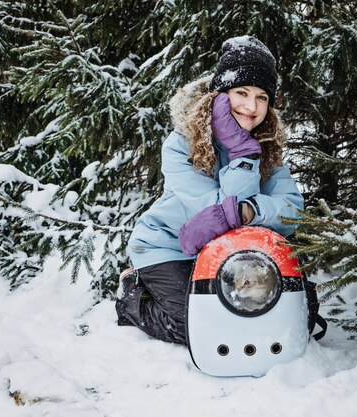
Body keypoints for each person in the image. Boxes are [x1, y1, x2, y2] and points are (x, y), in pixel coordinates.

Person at [115, 36, 304, 345]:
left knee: (278, 319)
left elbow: (293, 210)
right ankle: (132, 297)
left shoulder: (266, 145)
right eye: (241, 93)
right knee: (194, 328)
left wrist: (251, 211)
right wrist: (242, 154)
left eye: (262, 97)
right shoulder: (181, 145)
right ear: (220, 95)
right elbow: (212, 213)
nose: (252, 106)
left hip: (231, 254)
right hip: (167, 247)